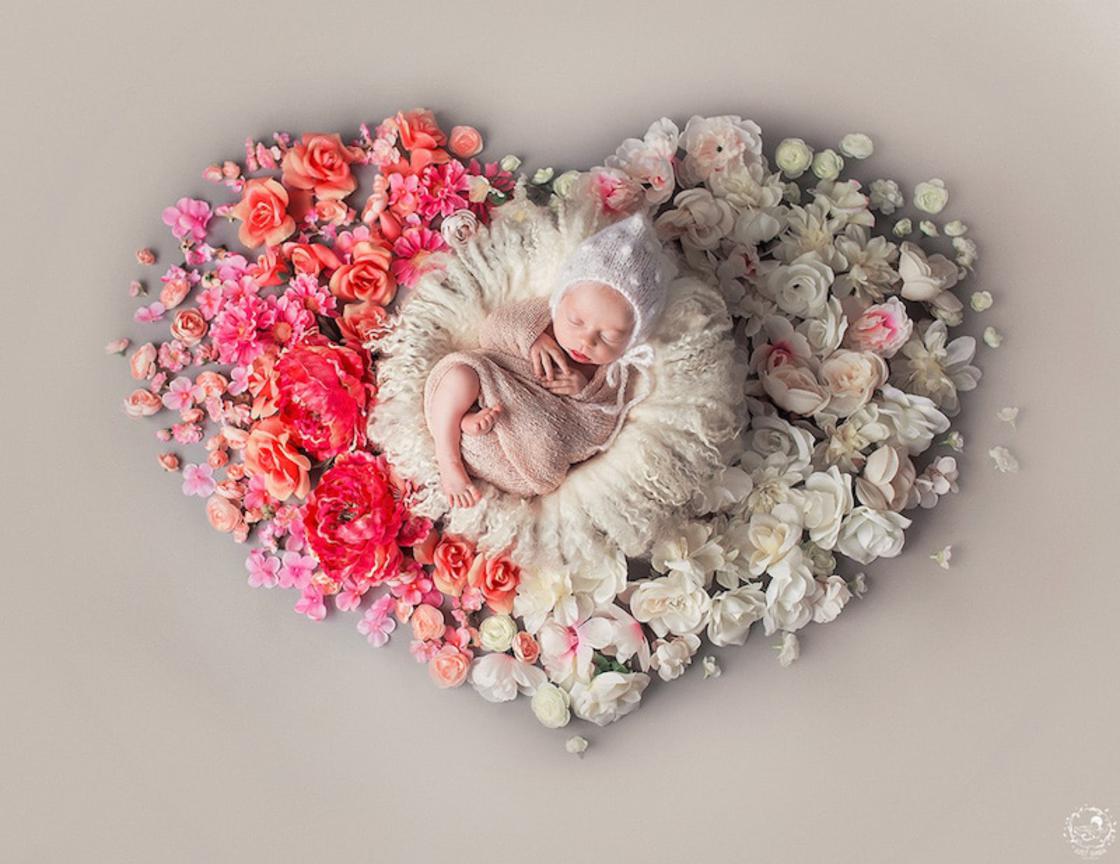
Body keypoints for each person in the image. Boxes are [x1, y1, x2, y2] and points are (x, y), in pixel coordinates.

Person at [423, 209, 674, 507]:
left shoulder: (613, 375)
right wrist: (531, 339)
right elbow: (490, 332)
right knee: (460, 375)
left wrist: (583, 388)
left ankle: (470, 429)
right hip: (492, 388)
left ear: (634, 338)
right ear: (561, 300)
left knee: (546, 437)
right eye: (576, 321)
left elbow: (601, 427)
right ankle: (449, 457)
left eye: (608, 336)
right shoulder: (541, 317)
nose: (586, 340)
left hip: (523, 458)